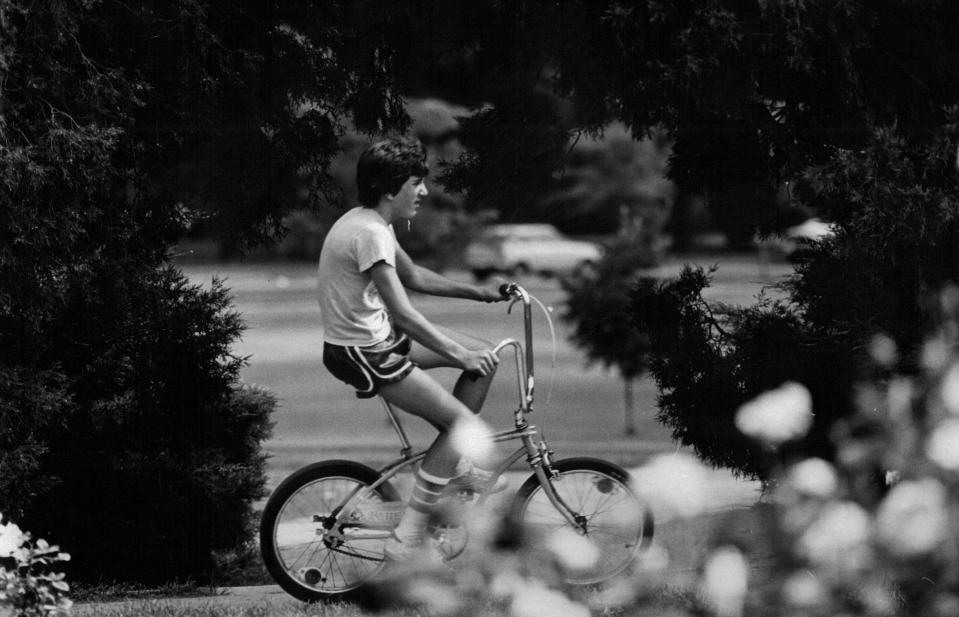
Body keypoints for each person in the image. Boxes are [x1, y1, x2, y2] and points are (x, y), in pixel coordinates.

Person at [317, 136, 507, 562]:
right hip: (363, 353)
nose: (423, 192)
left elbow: (415, 276)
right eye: (416, 183)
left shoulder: (371, 222)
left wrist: (480, 293)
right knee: (464, 427)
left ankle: (449, 466)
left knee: (486, 356)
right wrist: (458, 355)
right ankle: (408, 537)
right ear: (390, 189)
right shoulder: (368, 232)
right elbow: (404, 313)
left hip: (374, 339)